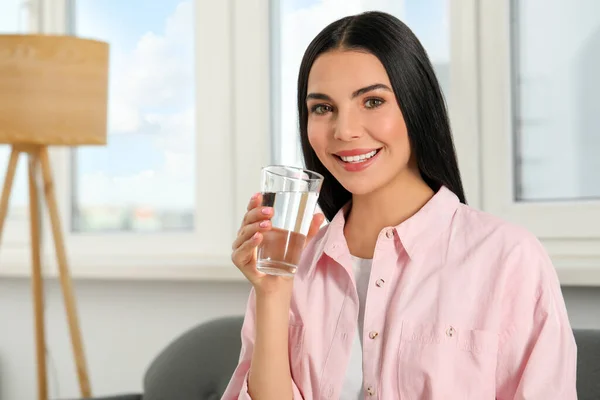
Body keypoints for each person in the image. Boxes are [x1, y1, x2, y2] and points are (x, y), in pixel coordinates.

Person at [222, 11, 577, 400]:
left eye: (372, 101)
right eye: (322, 108)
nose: (345, 131)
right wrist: (272, 294)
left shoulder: (507, 258)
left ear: (416, 106)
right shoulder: (293, 268)